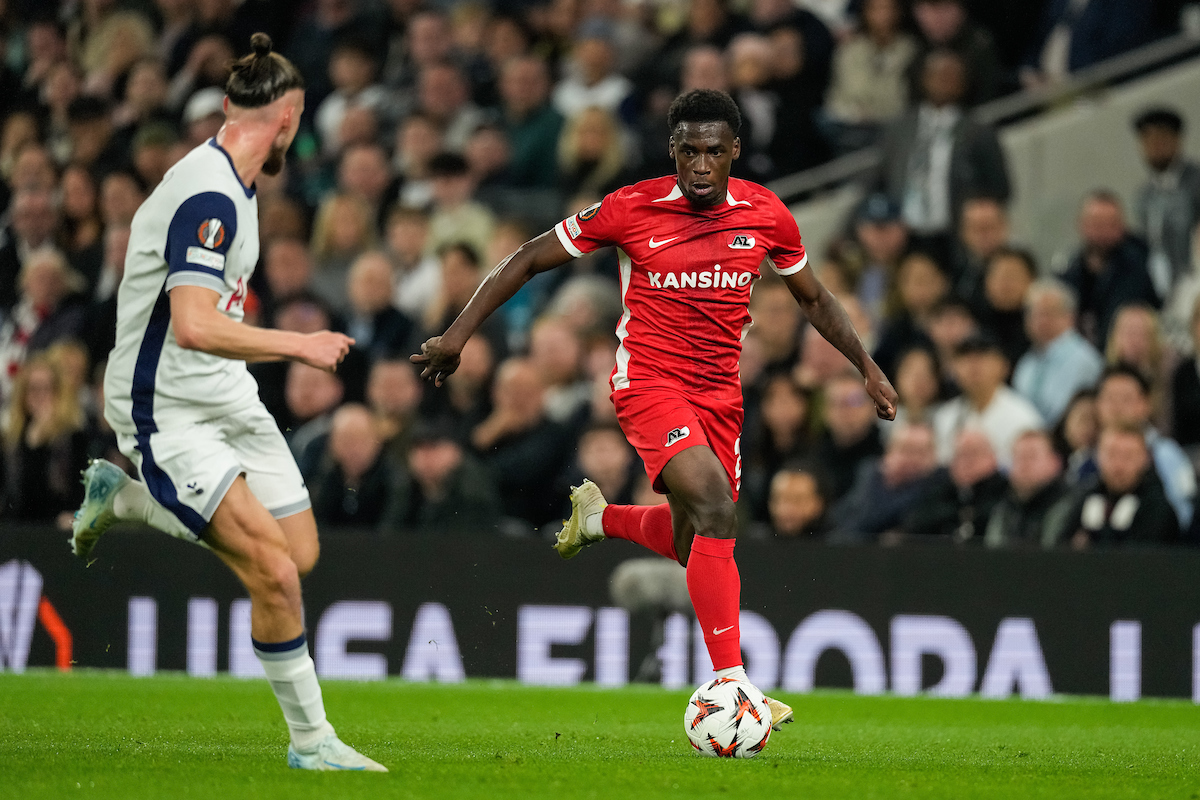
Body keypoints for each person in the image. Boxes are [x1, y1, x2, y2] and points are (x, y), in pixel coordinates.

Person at [412, 89, 897, 730]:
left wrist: (865, 364)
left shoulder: (766, 213)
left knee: (696, 536)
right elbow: (530, 256)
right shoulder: (630, 208)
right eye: (689, 150)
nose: (701, 165)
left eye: (715, 152)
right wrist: (457, 334)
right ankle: (734, 681)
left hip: (720, 395)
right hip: (649, 382)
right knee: (717, 504)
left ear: (735, 154)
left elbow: (812, 298)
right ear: (672, 150)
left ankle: (601, 520)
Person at [68, 34, 385, 773]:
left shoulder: (234, 183)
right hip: (164, 407)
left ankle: (125, 502)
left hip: (223, 395)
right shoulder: (208, 194)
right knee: (271, 573)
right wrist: (299, 344)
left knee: (297, 556)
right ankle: (312, 743)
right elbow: (194, 322)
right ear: (291, 120)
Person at [1053, 424, 1180, 548]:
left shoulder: (1158, 509)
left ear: (1145, 459)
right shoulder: (1084, 498)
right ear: (1098, 455)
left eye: (1128, 456)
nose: (1119, 465)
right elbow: (1061, 548)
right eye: (1111, 454)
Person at [1061, 191, 1159, 346]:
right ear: (1081, 224)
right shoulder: (1068, 270)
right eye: (1096, 223)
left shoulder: (1141, 267)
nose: (1102, 231)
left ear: (1122, 226)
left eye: (1110, 223)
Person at [932, 333, 1043, 466]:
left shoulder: (1023, 418)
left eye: (982, 357)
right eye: (965, 358)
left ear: (1003, 366)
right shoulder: (946, 416)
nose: (973, 366)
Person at [1012, 278, 1104, 426]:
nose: (1040, 321)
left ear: (1069, 317)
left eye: (1047, 313)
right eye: (1034, 314)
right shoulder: (1026, 363)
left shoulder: (1084, 361)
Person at [1132, 108, 1200, 299]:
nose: (1155, 147)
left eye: (1161, 139)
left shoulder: (1195, 184)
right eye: (1148, 141)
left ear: (1177, 140)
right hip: (1160, 288)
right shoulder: (1145, 195)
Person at [984, 429, 1072, 549]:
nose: (1024, 465)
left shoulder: (1069, 505)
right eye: (1018, 458)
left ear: (1055, 462)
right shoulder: (1004, 507)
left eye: (1031, 456)